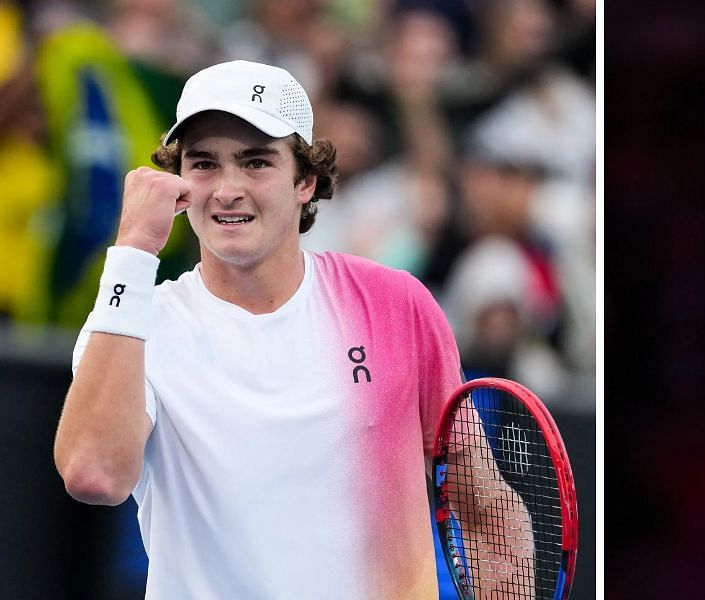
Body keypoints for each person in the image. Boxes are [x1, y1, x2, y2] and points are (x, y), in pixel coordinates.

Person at [52, 59, 523, 599]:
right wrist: (133, 249)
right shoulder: (133, 321)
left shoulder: (397, 305)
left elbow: (485, 511)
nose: (227, 189)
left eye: (256, 163)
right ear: (176, 180)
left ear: (306, 180)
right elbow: (94, 474)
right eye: (203, 164)